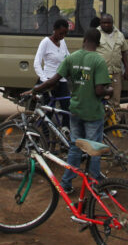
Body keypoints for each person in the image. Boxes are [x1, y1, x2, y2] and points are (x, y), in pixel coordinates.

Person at [23, 28, 113, 194]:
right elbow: (100, 90)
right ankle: (95, 186)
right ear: (99, 43)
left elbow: (53, 81)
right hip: (93, 113)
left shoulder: (71, 58)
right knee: (94, 150)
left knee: (75, 147)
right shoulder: (99, 61)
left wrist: (35, 90)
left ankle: (66, 184)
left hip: (76, 111)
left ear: (84, 40)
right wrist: (110, 91)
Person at [33, 18, 71, 121]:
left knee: (66, 110)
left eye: (65, 34)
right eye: (60, 33)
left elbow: (69, 58)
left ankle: (65, 132)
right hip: (49, 80)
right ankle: (44, 135)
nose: (62, 36)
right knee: (47, 112)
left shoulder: (63, 41)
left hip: (62, 80)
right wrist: (45, 81)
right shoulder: (45, 42)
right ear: (54, 30)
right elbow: (37, 63)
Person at [97, 13, 128, 107]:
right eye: (104, 22)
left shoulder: (119, 35)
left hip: (116, 73)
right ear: (100, 23)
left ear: (112, 23)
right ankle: (102, 120)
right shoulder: (95, 33)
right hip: (100, 73)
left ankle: (115, 120)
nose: (106, 24)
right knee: (100, 100)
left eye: (109, 22)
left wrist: (127, 69)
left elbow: (124, 52)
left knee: (115, 100)